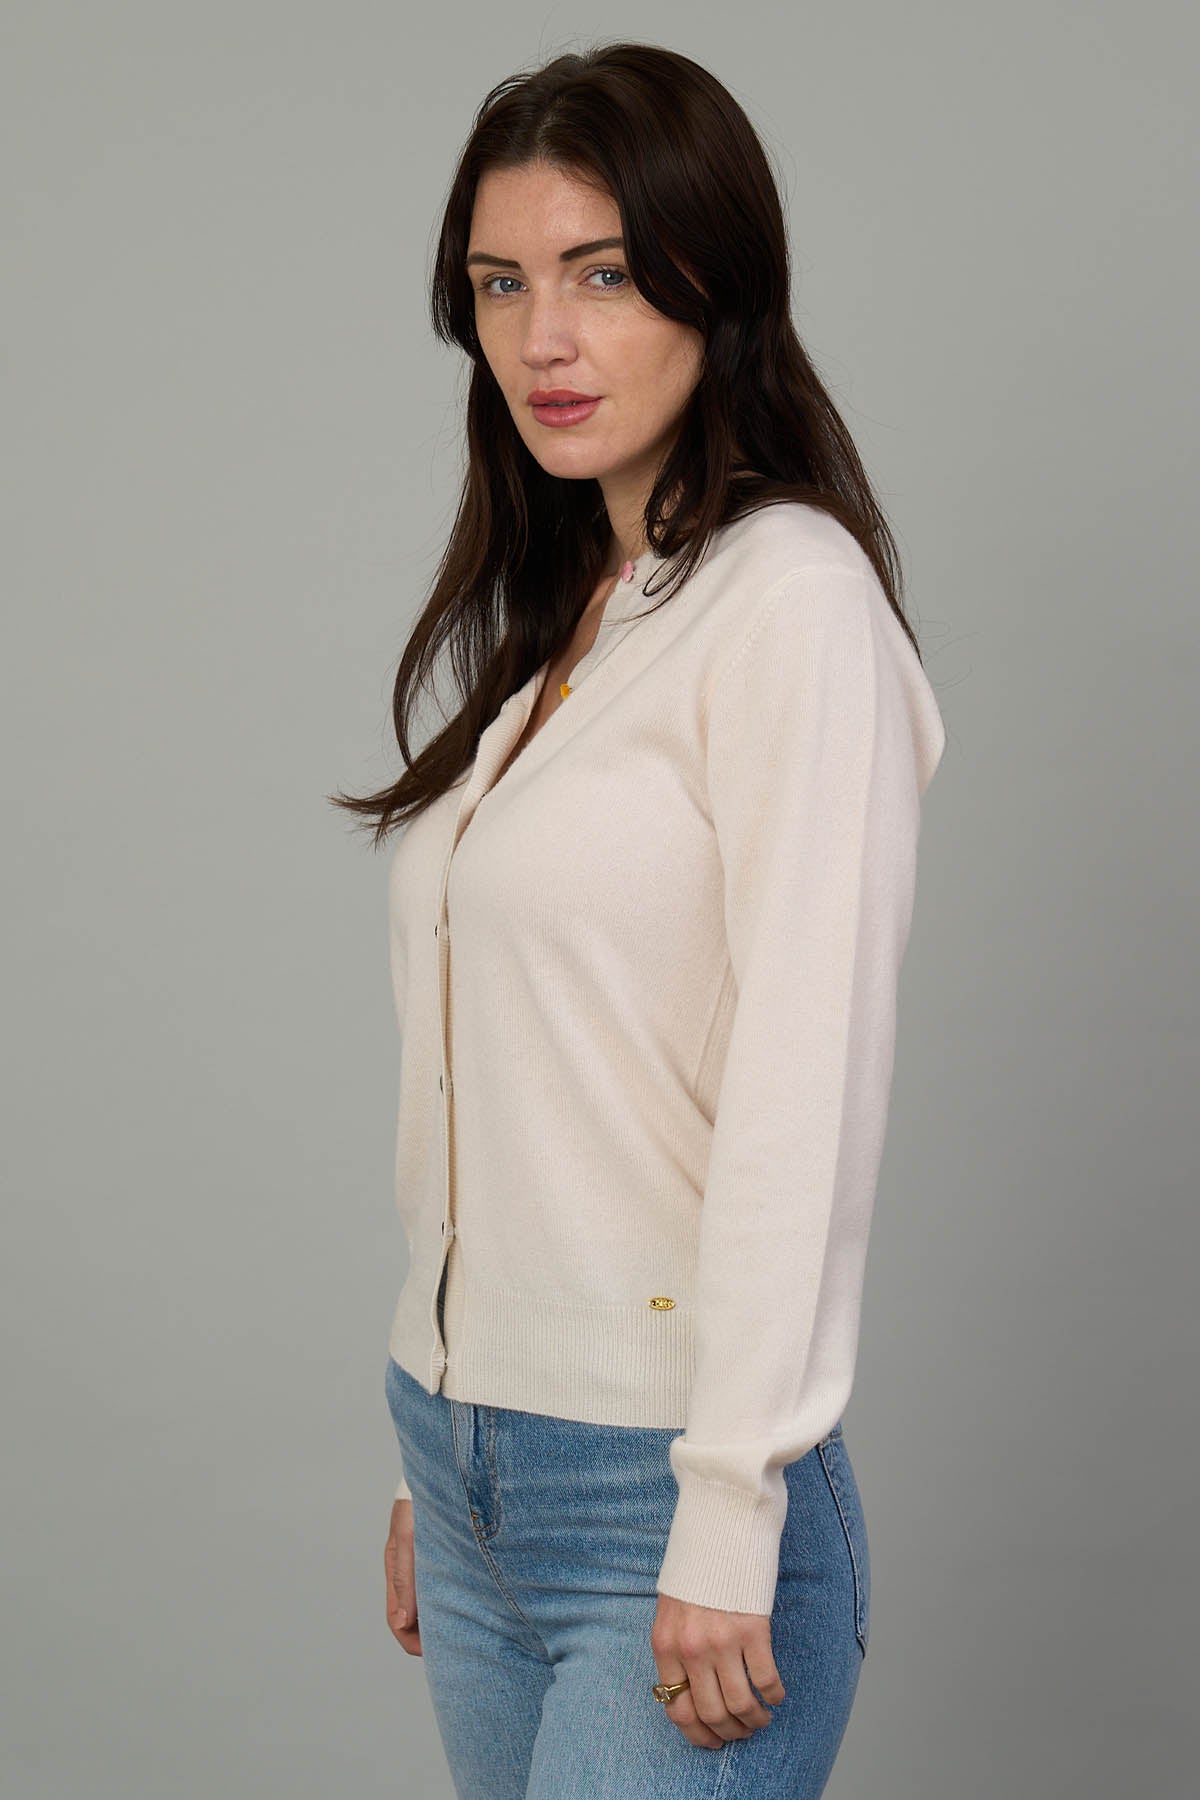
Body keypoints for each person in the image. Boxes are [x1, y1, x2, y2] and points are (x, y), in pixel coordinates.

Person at [331, 40, 947, 1800]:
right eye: (500, 285)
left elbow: (802, 1089)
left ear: (714, 280)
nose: (544, 338)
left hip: (664, 1491)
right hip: (467, 1464)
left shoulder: (792, 605)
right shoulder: (574, 624)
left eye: (600, 275)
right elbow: (496, 1087)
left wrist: (732, 1502)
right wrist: (438, 1455)